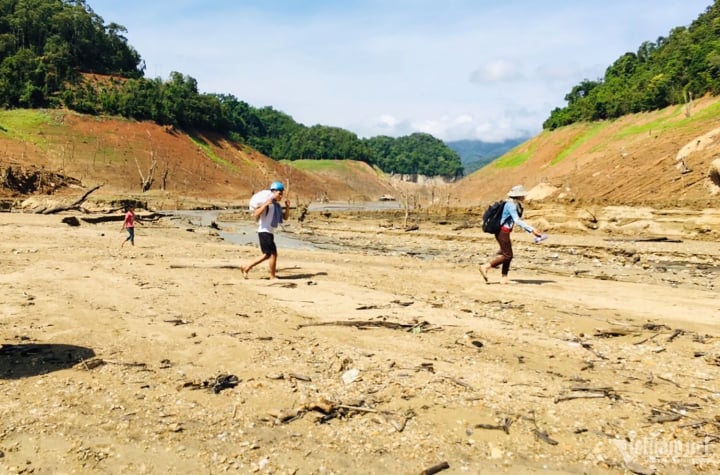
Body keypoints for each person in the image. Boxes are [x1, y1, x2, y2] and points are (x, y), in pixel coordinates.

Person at [479, 185, 543, 284]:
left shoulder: (512, 203)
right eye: (523, 195)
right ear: (519, 196)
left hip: (504, 232)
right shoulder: (511, 205)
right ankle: (486, 266)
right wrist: (532, 230)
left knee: (507, 254)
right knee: (508, 255)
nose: (524, 197)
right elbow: (516, 220)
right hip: (502, 232)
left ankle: (504, 278)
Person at [241, 181, 290, 280]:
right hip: (264, 232)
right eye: (279, 193)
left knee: (269, 254)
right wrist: (265, 204)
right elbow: (256, 213)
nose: (281, 196)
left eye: (282, 194)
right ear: (273, 192)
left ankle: (247, 267)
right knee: (271, 254)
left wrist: (288, 207)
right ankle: (270, 275)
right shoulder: (268, 203)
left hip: (269, 233)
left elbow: (285, 218)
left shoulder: (276, 206)